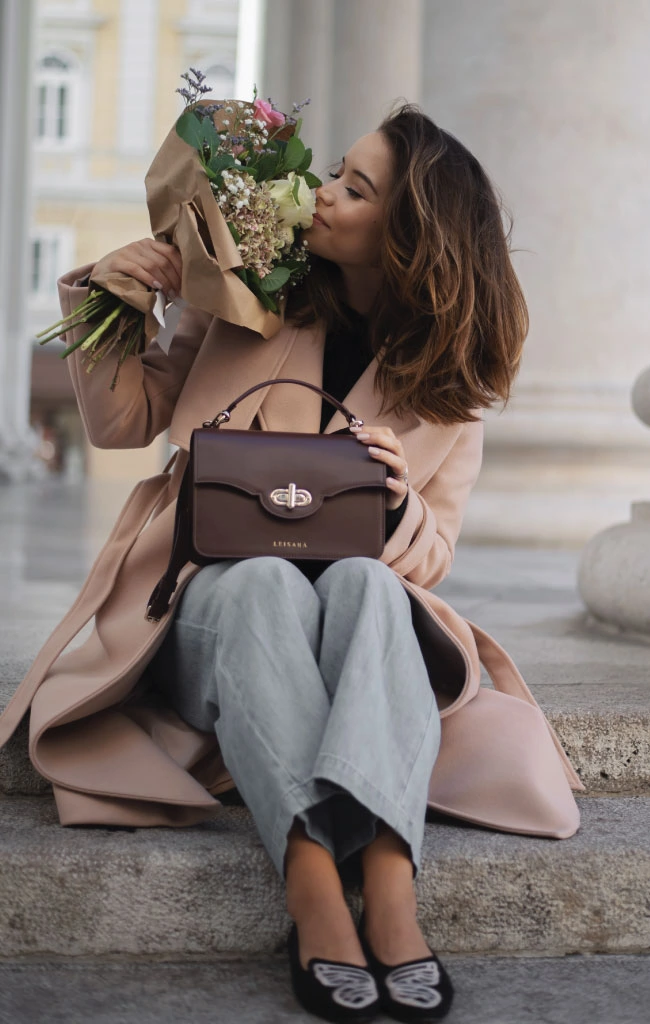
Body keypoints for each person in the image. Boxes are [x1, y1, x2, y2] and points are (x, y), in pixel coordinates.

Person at [0, 105, 582, 1023]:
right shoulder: (246, 292)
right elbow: (123, 422)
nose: (320, 193)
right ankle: (315, 884)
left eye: (355, 188)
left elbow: (430, 556)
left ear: (409, 237)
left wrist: (397, 505)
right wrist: (117, 302)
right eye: (333, 172)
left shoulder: (449, 381)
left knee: (363, 581)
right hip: (203, 609)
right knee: (264, 578)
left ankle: (390, 886)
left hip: (350, 633)